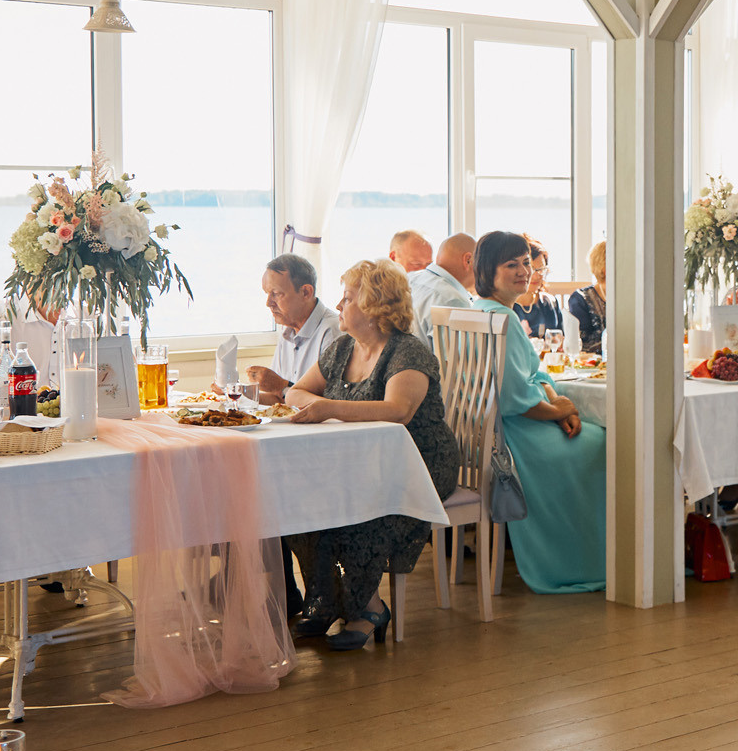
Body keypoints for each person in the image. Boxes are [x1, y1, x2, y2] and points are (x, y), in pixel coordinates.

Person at [282, 260, 460, 650]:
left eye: (348, 298)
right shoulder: (343, 348)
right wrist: (318, 404)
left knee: (360, 511)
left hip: (417, 465)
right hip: (358, 464)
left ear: (374, 308)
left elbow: (398, 410)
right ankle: (327, 602)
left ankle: (369, 609)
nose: (338, 306)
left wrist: (329, 408)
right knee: (300, 505)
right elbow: (295, 392)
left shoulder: (407, 352)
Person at [472, 231, 606, 593]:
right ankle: (587, 557)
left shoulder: (477, 311)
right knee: (605, 443)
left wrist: (558, 404)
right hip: (514, 438)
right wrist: (558, 409)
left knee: (592, 434)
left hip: (488, 433)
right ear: (488, 270)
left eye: (525, 263)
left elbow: (531, 375)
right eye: (511, 264)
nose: (524, 271)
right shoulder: (502, 320)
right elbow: (517, 400)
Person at [247, 253, 336, 406]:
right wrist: (235, 393)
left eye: (276, 294)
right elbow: (278, 398)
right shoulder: (288, 332)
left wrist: (281, 386)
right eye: (267, 294)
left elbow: (329, 404)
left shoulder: (332, 332)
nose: (268, 303)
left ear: (306, 292)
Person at [410, 232, 478, 343]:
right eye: (479, 262)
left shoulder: (410, 279)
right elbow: (456, 354)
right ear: (468, 260)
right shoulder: (453, 301)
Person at [514, 237, 566, 343]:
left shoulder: (550, 302)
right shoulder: (507, 307)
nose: (537, 276)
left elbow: (562, 338)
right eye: (532, 269)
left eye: (541, 269)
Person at [566, 241, 608, 354]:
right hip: (592, 361)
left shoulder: (628, 296)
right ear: (605, 268)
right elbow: (583, 343)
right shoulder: (580, 299)